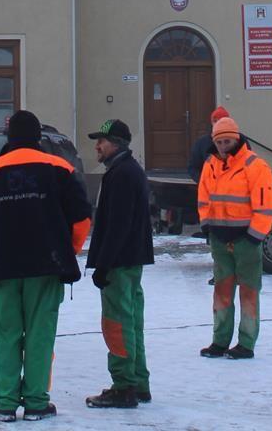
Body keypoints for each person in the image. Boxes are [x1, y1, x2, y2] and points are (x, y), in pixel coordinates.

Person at [0, 110, 92, 423]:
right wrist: (66, 251)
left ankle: (5, 403)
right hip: (46, 265)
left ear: (8, 139)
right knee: (40, 333)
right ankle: (36, 402)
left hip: (2, 268)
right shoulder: (60, 169)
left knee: (5, 334)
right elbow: (81, 218)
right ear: (38, 137)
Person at [83, 119, 154, 410]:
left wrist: (104, 264)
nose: (97, 146)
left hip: (119, 263)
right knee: (132, 322)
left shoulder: (121, 174)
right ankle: (138, 383)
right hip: (130, 260)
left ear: (117, 144)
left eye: (102, 140)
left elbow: (118, 224)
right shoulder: (126, 170)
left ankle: (124, 386)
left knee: (117, 323)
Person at [196, 114, 272, 359]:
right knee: (222, 293)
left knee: (248, 293)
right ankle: (219, 342)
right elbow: (204, 198)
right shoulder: (210, 165)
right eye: (219, 142)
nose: (223, 146)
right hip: (221, 240)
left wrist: (253, 237)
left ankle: (246, 344)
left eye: (227, 142)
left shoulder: (255, 166)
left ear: (237, 140)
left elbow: (266, 206)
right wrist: (208, 227)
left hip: (246, 241)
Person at [187, 106, 229, 183]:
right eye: (215, 121)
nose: (218, 124)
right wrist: (203, 182)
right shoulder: (201, 143)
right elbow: (193, 168)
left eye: (221, 121)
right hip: (210, 190)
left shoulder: (240, 141)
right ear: (211, 122)